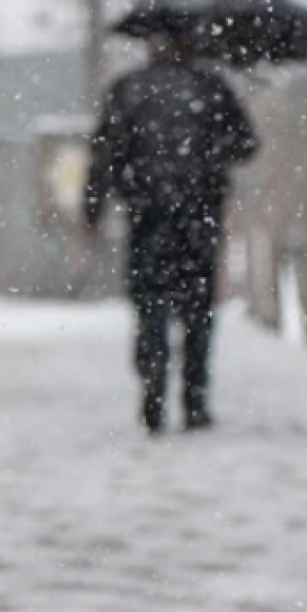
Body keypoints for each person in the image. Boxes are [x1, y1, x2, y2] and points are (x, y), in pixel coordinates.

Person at [85, 28, 257, 434]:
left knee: (150, 302)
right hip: (200, 213)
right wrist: (211, 153)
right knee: (198, 308)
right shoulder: (211, 87)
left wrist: (93, 207)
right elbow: (247, 144)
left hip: (147, 214)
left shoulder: (128, 89)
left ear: (149, 44)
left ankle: (153, 381)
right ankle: (195, 399)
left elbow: (105, 152)